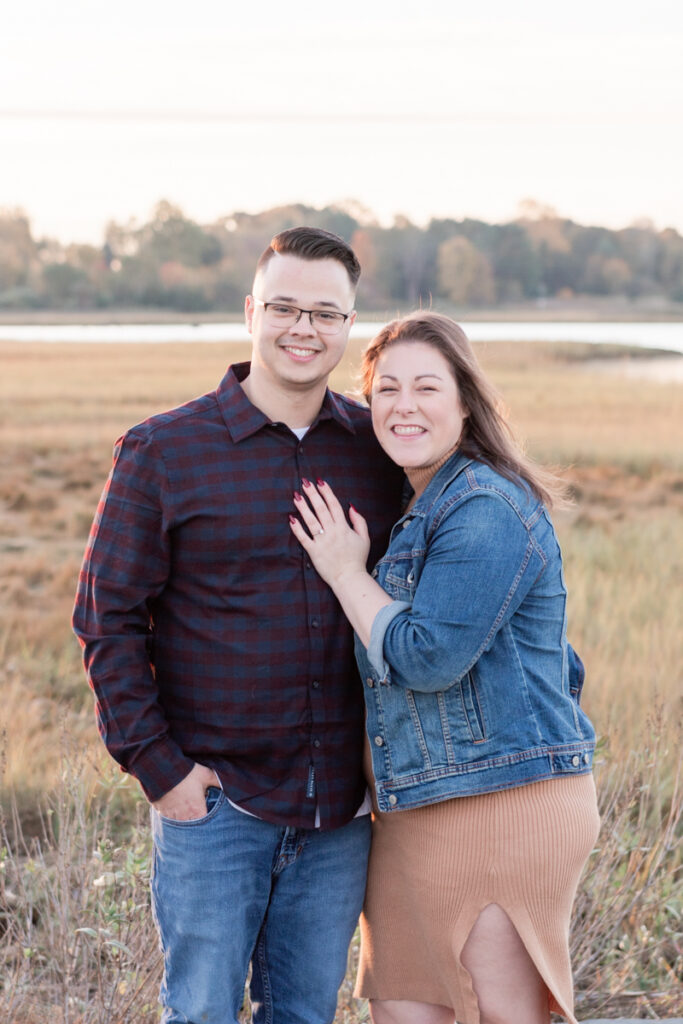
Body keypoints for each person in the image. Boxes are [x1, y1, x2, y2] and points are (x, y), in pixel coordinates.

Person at [72, 227, 404, 1024]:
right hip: (216, 808)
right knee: (202, 1015)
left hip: (341, 815)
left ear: (348, 325)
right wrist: (162, 772)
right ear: (250, 310)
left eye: (325, 313)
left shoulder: (377, 449)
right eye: (285, 306)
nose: (303, 328)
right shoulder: (164, 450)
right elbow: (105, 618)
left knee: (303, 1015)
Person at [289, 311, 600, 1024]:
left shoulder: (484, 505)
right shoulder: (418, 503)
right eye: (386, 389)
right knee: (402, 1006)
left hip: (500, 803)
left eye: (426, 387)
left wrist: (343, 570)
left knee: (497, 1013)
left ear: (465, 401)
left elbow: (425, 657)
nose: (404, 405)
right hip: (414, 813)